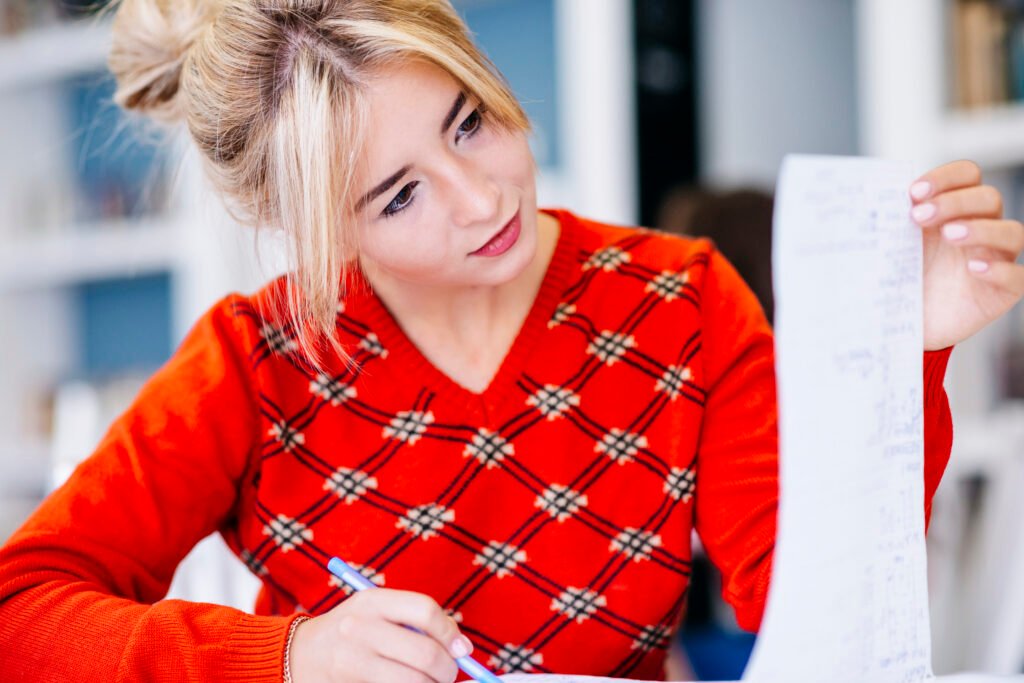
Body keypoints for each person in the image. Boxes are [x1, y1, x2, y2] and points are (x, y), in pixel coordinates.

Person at [2, 1, 1023, 681]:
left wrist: (907, 355)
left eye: (468, 121)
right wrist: (287, 656)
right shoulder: (258, 359)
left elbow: (801, 597)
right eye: (398, 194)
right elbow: (19, 609)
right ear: (315, 227)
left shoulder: (682, 300)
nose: (480, 194)